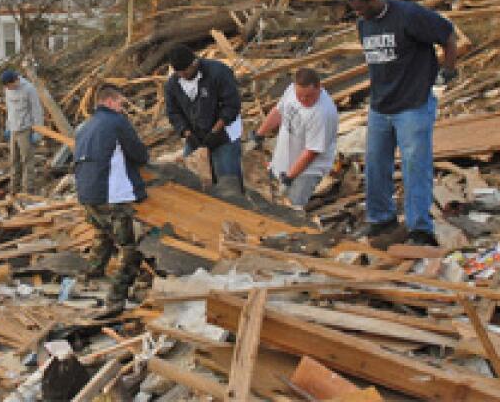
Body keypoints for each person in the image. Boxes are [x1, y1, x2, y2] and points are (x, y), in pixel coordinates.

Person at [348, 0, 458, 247]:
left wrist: (449, 69)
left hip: (413, 104)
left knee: (414, 166)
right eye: (356, 11)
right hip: (380, 106)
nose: (359, 15)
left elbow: (448, 34)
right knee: (375, 165)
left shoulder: (409, 15)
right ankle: (381, 219)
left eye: (362, 9)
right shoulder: (363, 25)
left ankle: (420, 228)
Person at [74, 84, 149, 317]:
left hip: (87, 194)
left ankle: (88, 279)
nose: (123, 108)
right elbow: (140, 155)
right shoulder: (117, 122)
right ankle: (116, 299)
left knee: (103, 235)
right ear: (108, 102)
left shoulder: (84, 127)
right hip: (111, 194)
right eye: (120, 103)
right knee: (130, 248)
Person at [254, 68, 339, 213]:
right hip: (284, 160)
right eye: (300, 96)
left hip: (308, 169)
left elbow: (311, 152)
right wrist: (259, 134)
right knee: (272, 204)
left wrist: (289, 177)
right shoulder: (291, 91)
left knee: (292, 210)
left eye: (309, 96)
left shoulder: (323, 113)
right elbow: (278, 111)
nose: (304, 100)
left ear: (319, 87)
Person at [163, 44, 244, 193]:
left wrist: (215, 131)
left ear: (194, 63)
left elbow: (231, 105)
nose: (182, 75)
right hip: (196, 135)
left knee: (227, 181)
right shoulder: (173, 84)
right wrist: (187, 133)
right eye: (178, 72)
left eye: (185, 71)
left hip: (223, 133)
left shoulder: (218, 73)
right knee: (194, 179)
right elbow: (173, 112)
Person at [1, 69, 45, 195]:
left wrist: (38, 130)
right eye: (6, 87)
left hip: (25, 129)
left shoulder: (29, 89)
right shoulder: (7, 90)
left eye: (10, 86)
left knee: (27, 160)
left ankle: (27, 190)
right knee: (14, 160)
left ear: (15, 81)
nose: (9, 89)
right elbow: (10, 109)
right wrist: (8, 126)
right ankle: (14, 189)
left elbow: (37, 110)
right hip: (13, 128)